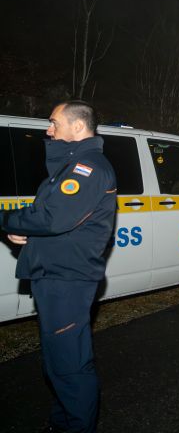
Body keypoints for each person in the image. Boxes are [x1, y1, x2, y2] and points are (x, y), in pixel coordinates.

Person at [1, 100, 117, 433]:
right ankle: (62, 423)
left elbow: (54, 218)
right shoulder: (70, 166)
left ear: (77, 126)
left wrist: (6, 220)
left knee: (70, 367)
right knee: (58, 364)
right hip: (56, 275)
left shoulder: (88, 167)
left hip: (68, 279)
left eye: (53, 123)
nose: (48, 129)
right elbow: (53, 218)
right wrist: (24, 231)